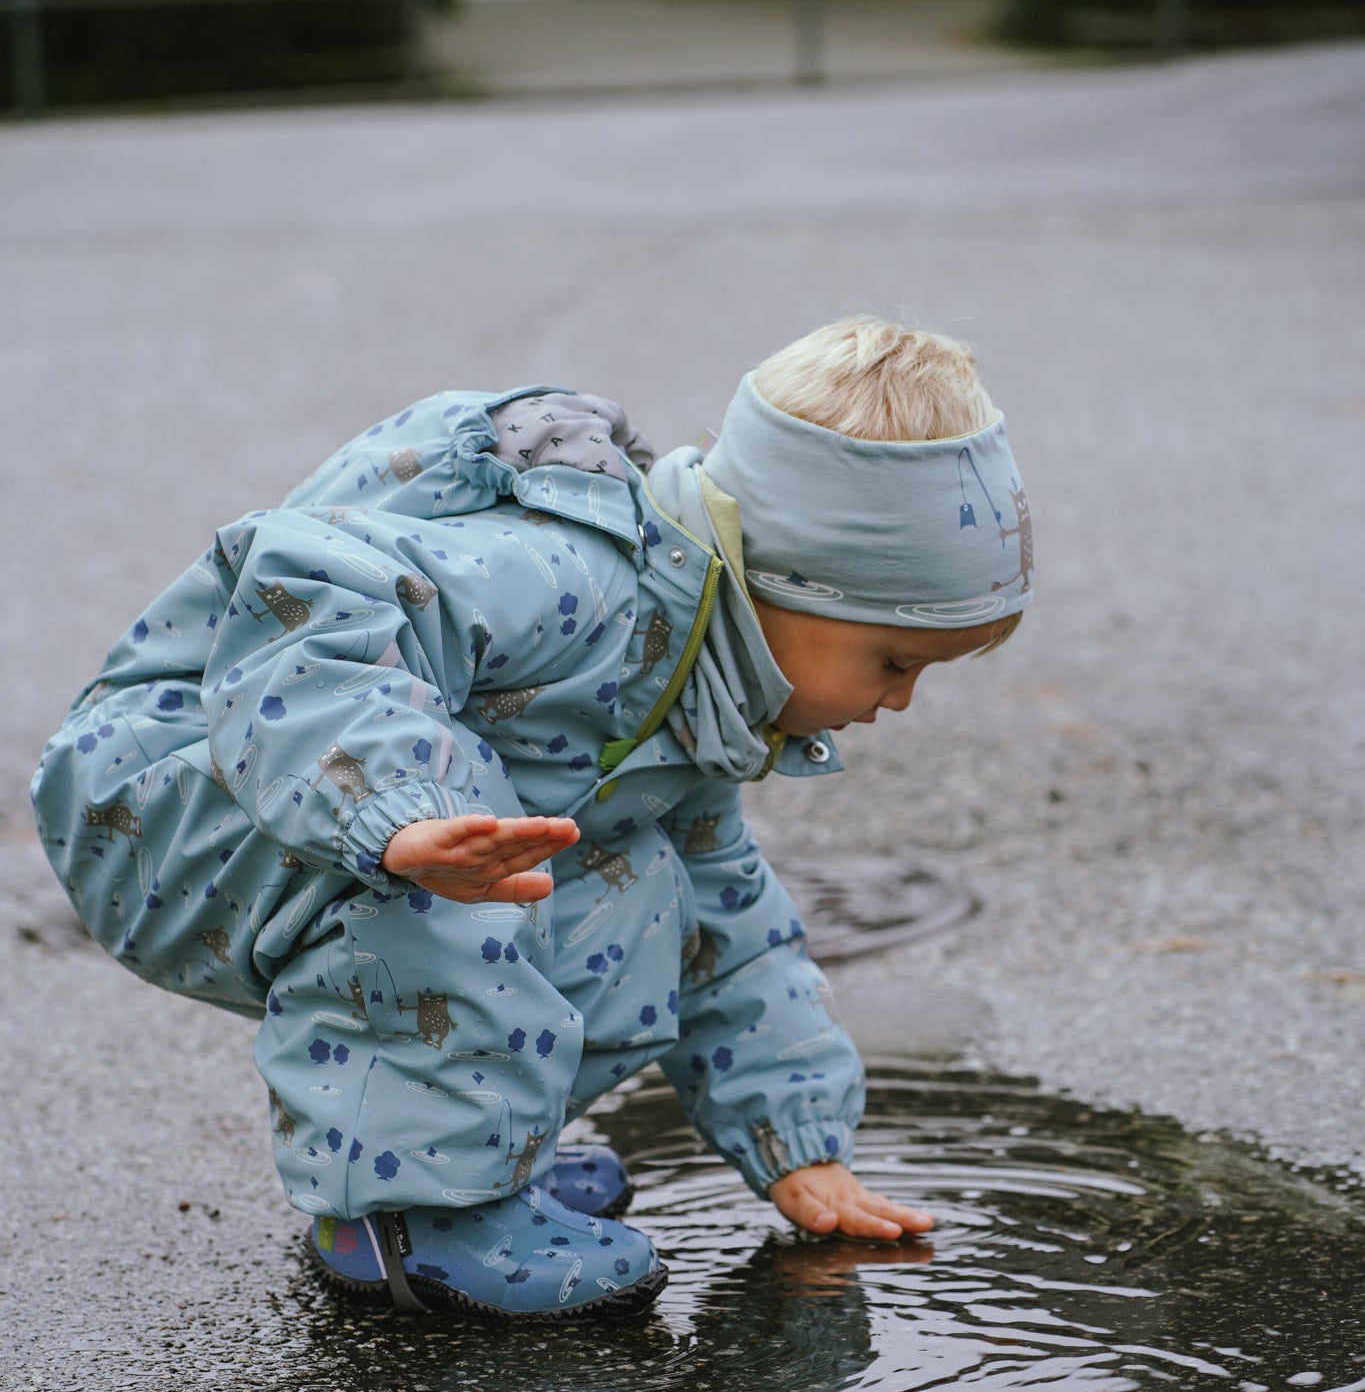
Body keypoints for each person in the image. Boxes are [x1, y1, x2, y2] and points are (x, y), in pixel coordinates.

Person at [30, 317, 1032, 1321]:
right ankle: (404, 1215)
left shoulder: (693, 690)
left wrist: (798, 1144)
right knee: (478, 853)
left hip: (310, 813)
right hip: (173, 797)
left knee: (648, 888)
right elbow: (309, 583)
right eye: (893, 660)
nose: (898, 700)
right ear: (784, 577)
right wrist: (400, 807)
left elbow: (733, 935)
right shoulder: (578, 579)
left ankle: (479, 1169)